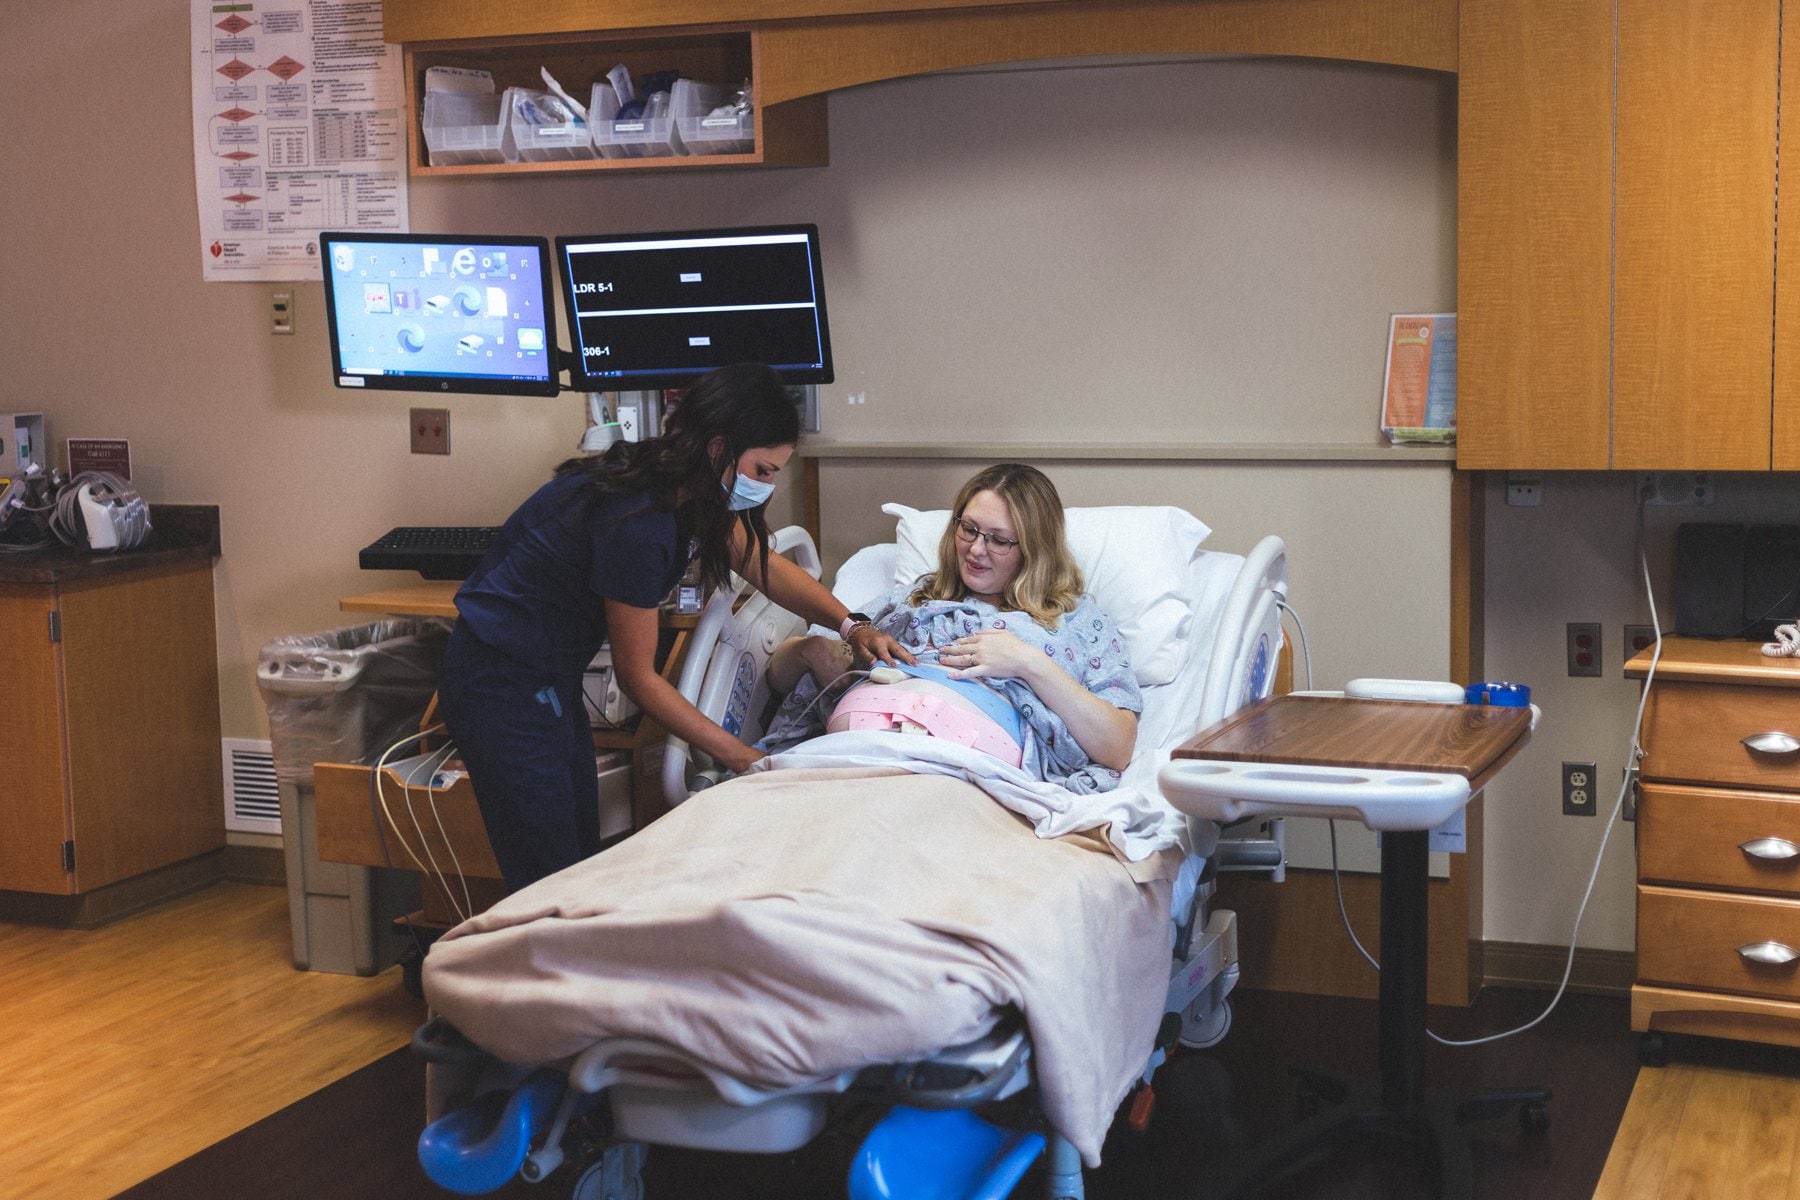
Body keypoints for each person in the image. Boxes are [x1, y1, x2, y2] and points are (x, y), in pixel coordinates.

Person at [434, 362, 908, 891]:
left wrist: (849, 624)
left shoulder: (685, 491)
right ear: (717, 448)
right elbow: (639, 677)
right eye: (763, 470)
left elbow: (761, 563)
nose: (767, 488)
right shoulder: (639, 521)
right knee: (548, 877)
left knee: (577, 859)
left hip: (545, 679)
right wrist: (745, 758)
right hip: (499, 682)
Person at [761, 463, 1140, 793]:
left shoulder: (1075, 619)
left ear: (1034, 549)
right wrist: (810, 650)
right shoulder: (912, 597)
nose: (976, 549)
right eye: (969, 529)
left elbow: (1118, 747)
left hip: (966, 766)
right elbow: (779, 677)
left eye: (999, 540)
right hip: (853, 745)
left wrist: (1028, 662)